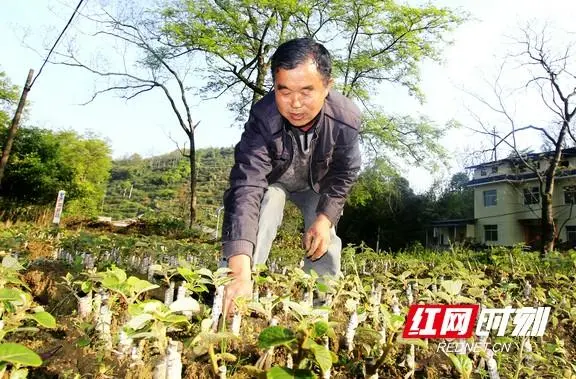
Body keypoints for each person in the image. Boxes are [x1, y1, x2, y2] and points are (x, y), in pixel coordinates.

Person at [221, 37, 362, 313]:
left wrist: (324, 218)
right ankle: (240, 287)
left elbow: (345, 172)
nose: (295, 104)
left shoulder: (346, 118)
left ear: (327, 87)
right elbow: (247, 185)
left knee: (325, 233)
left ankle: (318, 305)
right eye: (284, 91)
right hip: (275, 181)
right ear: (275, 87)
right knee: (268, 201)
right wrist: (238, 267)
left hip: (316, 185)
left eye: (307, 91)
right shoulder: (263, 117)